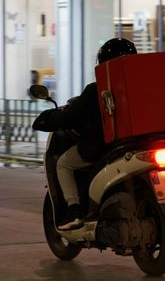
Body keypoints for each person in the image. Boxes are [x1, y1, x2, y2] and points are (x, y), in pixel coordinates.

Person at [32, 38, 137, 230]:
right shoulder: (141, 87)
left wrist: (48, 119)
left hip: (105, 147)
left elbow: (72, 116)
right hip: (138, 143)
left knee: (63, 163)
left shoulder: (96, 90)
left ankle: (74, 211)